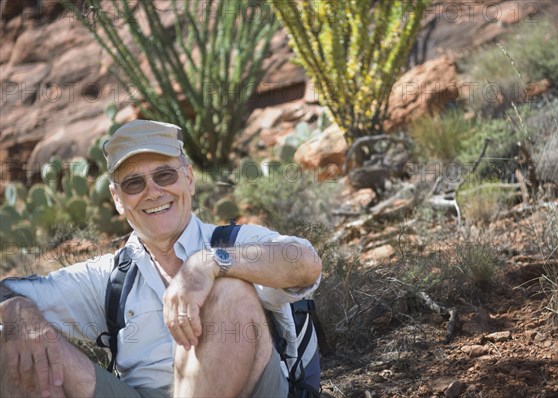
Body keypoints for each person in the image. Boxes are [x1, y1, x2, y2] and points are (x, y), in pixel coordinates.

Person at [0, 120, 323, 397]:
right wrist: (19, 310)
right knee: (14, 337)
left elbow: (305, 263)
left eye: (165, 175)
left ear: (189, 178)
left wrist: (206, 264)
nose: (153, 192)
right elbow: (6, 292)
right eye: (133, 183)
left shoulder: (232, 243)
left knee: (230, 292)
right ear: (116, 198)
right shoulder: (111, 277)